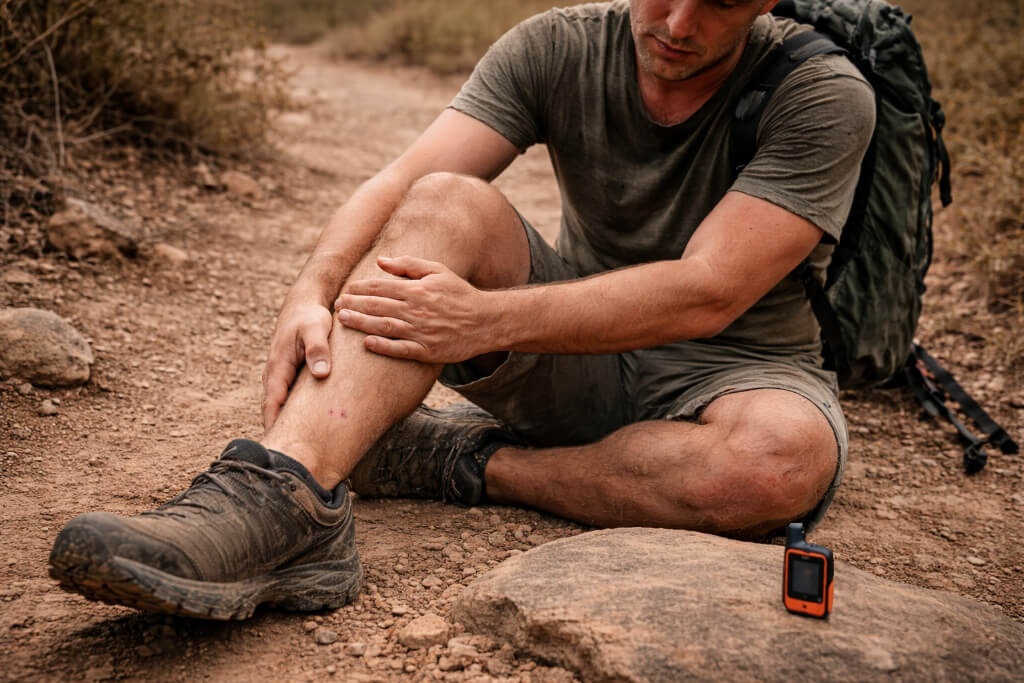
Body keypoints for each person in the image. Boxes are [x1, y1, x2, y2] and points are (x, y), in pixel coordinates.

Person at [49, 0, 875, 620]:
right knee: (445, 199)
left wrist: (483, 322)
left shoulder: (824, 93)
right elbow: (405, 180)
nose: (678, 23)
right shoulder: (558, 44)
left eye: (722, 1)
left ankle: (455, 461)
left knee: (780, 462)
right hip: (578, 364)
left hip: (739, 372)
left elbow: (710, 289)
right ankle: (285, 492)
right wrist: (311, 287)